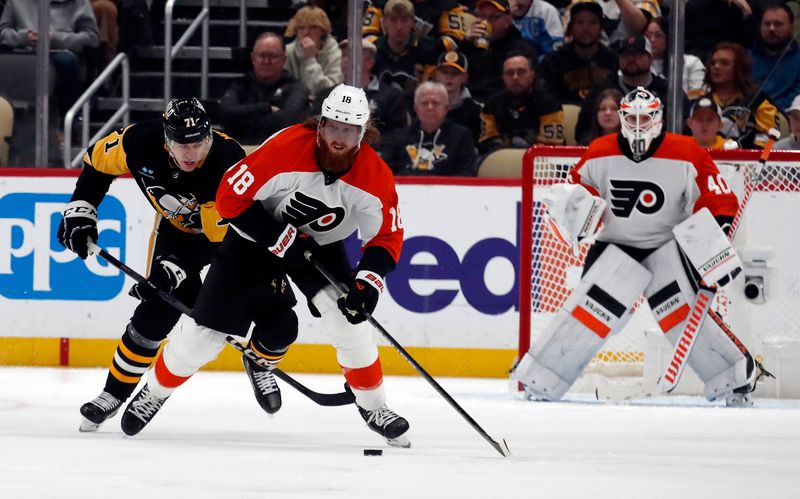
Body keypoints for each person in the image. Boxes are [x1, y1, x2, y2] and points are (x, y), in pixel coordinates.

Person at [119, 84, 412, 448]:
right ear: (320, 125)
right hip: (253, 238)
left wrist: (368, 284)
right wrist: (278, 236)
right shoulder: (286, 148)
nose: (339, 139)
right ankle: (155, 392)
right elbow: (229, 198)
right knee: (203, 335)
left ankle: (374, 406)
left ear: (364, 133)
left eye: (350, 130)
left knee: (349, 321)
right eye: (333, 127)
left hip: (320, 245)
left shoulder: (375, 176)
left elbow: (385, 237)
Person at [512, 87, 769, 407]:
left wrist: (717, 230)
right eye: (630, 117)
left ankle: (734, 377)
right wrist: (570, 209)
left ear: (658, 118)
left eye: (644, 117)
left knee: (683, 318)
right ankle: (543, 377)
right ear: (620, 118)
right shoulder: (600, 150)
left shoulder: (686, 150)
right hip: (613, 245)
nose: (637, 124)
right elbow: (576, 195)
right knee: (590, 316)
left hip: (667, 246)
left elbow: (715, 193)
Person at [57, 98, 289, 431]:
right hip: (179, 232)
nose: (191, 152)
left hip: (242, 239)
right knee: (156, 309)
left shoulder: (226, 163)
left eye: (198, 142)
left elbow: (216, 241)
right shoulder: (138, 141)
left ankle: (259, 362)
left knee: (279, 322)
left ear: (209, 136)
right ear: (167, 139)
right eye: (183, 144)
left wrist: (176, 272)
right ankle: (113, 393)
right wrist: (81, 209)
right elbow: (96, 162)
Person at [574, 33, 687, 146]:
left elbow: (685, 128)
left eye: (638, 54)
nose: (631, 59)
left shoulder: (668, 90)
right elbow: (582, 131)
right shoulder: (601, 89)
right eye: (626, 55)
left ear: (650, 58)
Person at [0, 0, 99, 117]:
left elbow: (92, 38)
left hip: (60, 52)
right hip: (24, 52)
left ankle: (64, 124)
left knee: (65, 62)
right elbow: (3, 32)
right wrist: (24, 37)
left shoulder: (79, 2)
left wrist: (56, 39)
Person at [219, 32, 310, 145]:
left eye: (272, 56)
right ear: (253, 58)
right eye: (262, 55)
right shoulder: (240, 85)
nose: (267, 61)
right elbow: (225, 114)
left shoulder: (297, 88)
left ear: (284, 59)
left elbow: (286, 122)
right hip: (241, 154)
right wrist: (265, 108)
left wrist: (243, 120)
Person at [313, 37, 410, 135]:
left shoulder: (391, 97)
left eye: (352, 56)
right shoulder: (327, 95)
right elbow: (313, 128)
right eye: (344, 55)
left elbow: (396, 135)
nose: (346, 60)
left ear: (369, 62)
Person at [379, 81, 478, 175]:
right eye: (425, 103)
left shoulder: (461, 137)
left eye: (435, 103)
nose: (430, 107)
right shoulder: (397, 137)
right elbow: (385, 173)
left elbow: (466, 173)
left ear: (446, 108)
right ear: (416, 108)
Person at [479, 51, 565, 151]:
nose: (515, 77)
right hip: (502, 162)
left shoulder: (549, 104)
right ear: (503, 78)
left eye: (521, 72)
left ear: (532, 76)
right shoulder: (491, 104)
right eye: (510, 73)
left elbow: (551, 146)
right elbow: (488, 143)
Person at [537, 0, 617, 104]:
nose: (586, 28)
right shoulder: (553, 62)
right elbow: (548, 100)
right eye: (580, 23)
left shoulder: (612, 59)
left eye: (592, 23)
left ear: (601, 28)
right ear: (570, 27)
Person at [705, 42, 778, 149]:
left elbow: (769, 137)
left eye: (724, 63)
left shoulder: (757, 100)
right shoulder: (703, 101)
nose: (716, 67)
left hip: (748, 161)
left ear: (739, 67)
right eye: (713, 63)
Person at [462, 0, 536, 102]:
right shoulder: (471, 45)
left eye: (493, 17)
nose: (486, 22)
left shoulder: (521, 51)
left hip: (502, 108)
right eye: (482, 16)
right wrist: (465, 44)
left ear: (508, 20)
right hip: (470, 106)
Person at [370, 0, 441, 96]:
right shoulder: (373, 51)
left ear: (413, 22)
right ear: (384, 22)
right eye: (393, 20)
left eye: (404, 20)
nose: (399, 27)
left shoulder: (428, 50)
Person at [750, 3, 800, 111]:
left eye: (778, 24)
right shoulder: (745, 58)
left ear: (792, 27)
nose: (772, 28)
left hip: (786, 118)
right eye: (767, 24)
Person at [283, 6, 344, 95]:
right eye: (301, 27)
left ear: (323, 31)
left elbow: (328, 93)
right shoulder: (287, 52)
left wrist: (310, 60)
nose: (306, 32)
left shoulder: (336, 55)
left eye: (313, 27)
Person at [645, 17, 706, 100]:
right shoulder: (640, 65)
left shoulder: (692, 62)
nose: (652, 40)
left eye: (658, 35)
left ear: (669, 38)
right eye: (648, 36)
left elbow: (697, 96)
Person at [433, 49, 482, 143]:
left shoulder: (477, 111)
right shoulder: (426, 106)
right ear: (437, 75)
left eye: (455, 73)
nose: (449, 77)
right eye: (444, 72)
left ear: (465, 77)